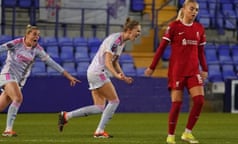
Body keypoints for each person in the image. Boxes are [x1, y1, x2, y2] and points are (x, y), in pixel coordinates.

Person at [58, 17, 141, 138]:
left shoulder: (121, 42)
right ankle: (99, 131)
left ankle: (66, 116)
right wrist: (116, 75)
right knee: (114, 101)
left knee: (99, 107)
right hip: (98, 72)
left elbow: (115, 62)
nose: (139, 34)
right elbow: (108, 62)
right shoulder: (116, 41)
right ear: (129, 30)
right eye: (137, 31)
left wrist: (123, 76)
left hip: (94, 72)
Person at [144, 0, 208, 144]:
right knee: (177, 104)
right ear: (184, 9)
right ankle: (171, 136)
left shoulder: (199, 28)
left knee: (199, 101)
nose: (194, 12)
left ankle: (187, 133)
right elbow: (161, 48)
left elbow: (201, 52)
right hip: (177, 72)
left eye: (196, 10)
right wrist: (152, 67)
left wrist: (205, 69)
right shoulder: (174, 26)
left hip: (193, 71)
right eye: (192, 9)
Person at [0, 24, 80, 137]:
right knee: (18, 98)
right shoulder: (16, 43)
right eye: (34, 34)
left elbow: (51, 63)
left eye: (38, 35)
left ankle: (8, 129)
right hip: (7, 75)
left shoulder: (37, 49)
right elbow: (1, 48)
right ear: (27, 34)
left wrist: (68, 75)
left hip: (19, 81)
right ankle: (8, 130)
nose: (37, 37)